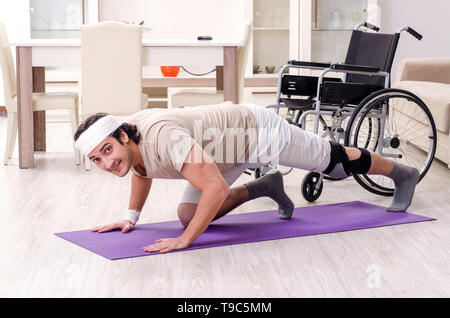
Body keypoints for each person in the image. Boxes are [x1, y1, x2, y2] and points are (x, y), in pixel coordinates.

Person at [74, 101, 420, 254]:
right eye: (96, 159)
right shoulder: (131, 146)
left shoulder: (163, 136)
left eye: (107, 151)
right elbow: (140, 170)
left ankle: (402, 174)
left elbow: (213, 186)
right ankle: (265, 185)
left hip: (255, 132)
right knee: (189, 216)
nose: (107, 163)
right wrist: (131, 218)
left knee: (335, 164)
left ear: (122, 136)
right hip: (222, 151)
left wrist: (185, 242)